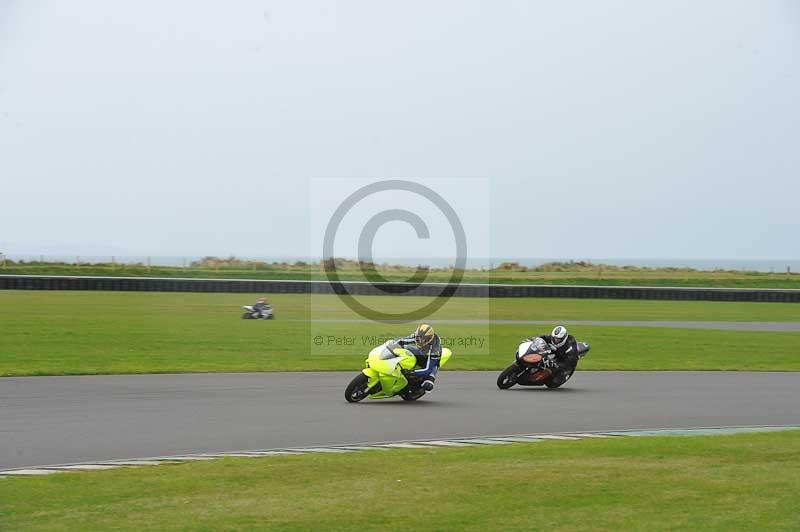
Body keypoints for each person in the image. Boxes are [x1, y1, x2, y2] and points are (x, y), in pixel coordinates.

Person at [388, 323, 442, 392]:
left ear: (429, 339)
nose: (420, 340)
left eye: (423, 339)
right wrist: (391, 345)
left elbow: (428, 369)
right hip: (420, 351)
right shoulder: (417, 336)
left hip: (431, 359)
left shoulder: (435, 349)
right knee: (403, 348)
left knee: (428, 385)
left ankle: (420, 386)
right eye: (418, 338)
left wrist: (411, 372)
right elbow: (401, 340)